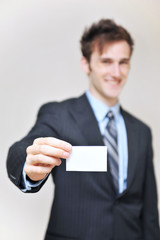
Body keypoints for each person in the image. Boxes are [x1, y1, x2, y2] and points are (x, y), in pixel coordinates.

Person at [7, 19, 160, 240]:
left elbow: (149, 210)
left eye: (123, 62)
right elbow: (23, 148)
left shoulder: (142, 132)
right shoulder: (59, 115)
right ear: (86, 64)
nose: (116, 72)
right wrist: (28, 165)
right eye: (106, 61)